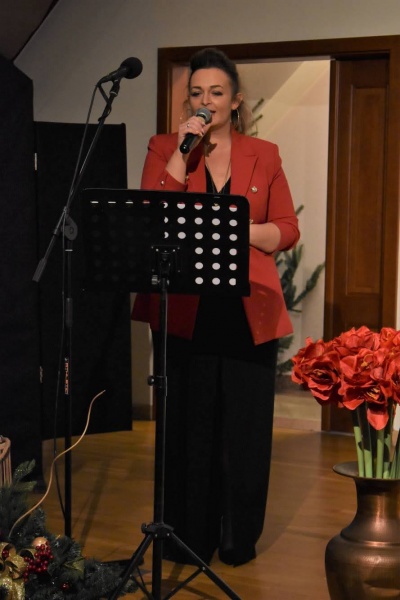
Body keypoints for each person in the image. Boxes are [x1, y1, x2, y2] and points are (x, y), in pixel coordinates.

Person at [132, 47, 300, 567]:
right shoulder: (165, 146)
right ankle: (187, 535)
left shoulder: (263, 153)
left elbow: (287, 229)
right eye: (197, 92)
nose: (206, 100)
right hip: (187, 308)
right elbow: (152, 211)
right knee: (188, 424)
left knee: (245, 428)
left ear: (236, 99)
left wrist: (239, 230)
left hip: (248, 307)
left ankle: (236, 538)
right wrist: (184, 150)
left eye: (217, 92)